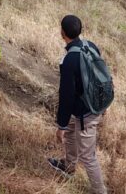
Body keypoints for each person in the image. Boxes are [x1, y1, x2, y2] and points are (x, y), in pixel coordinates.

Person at [47, 15, 107, 194]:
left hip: (86, 112)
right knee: (72, 133)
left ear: (62, 33)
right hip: (92, 104)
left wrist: (61, 125)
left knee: (88, 156)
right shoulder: (90, 46)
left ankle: (100, 191)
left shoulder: (69, 60)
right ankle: (69, 166)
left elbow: (66, 96)